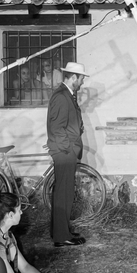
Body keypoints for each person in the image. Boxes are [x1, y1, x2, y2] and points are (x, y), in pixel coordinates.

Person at [46, 62, 88, 247]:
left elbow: (67, 121)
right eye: (81, 79)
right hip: (65, 152)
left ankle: (61, 231)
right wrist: (67, 149)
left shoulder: (67, 95)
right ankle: (62, 236)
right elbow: (56, 127)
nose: (82, 82)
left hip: (66, 150)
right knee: (63, 194)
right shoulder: (62, 96)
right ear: (73, 78)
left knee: (64, 193)